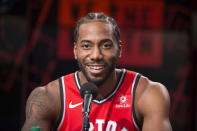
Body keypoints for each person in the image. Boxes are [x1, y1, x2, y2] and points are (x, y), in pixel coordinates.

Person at [22, 12, 172, 131]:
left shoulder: (147, 93)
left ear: (119, 49)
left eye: (106, 45)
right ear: (75, 51)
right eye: (86, 46)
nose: (96, 55)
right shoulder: (48, 97)